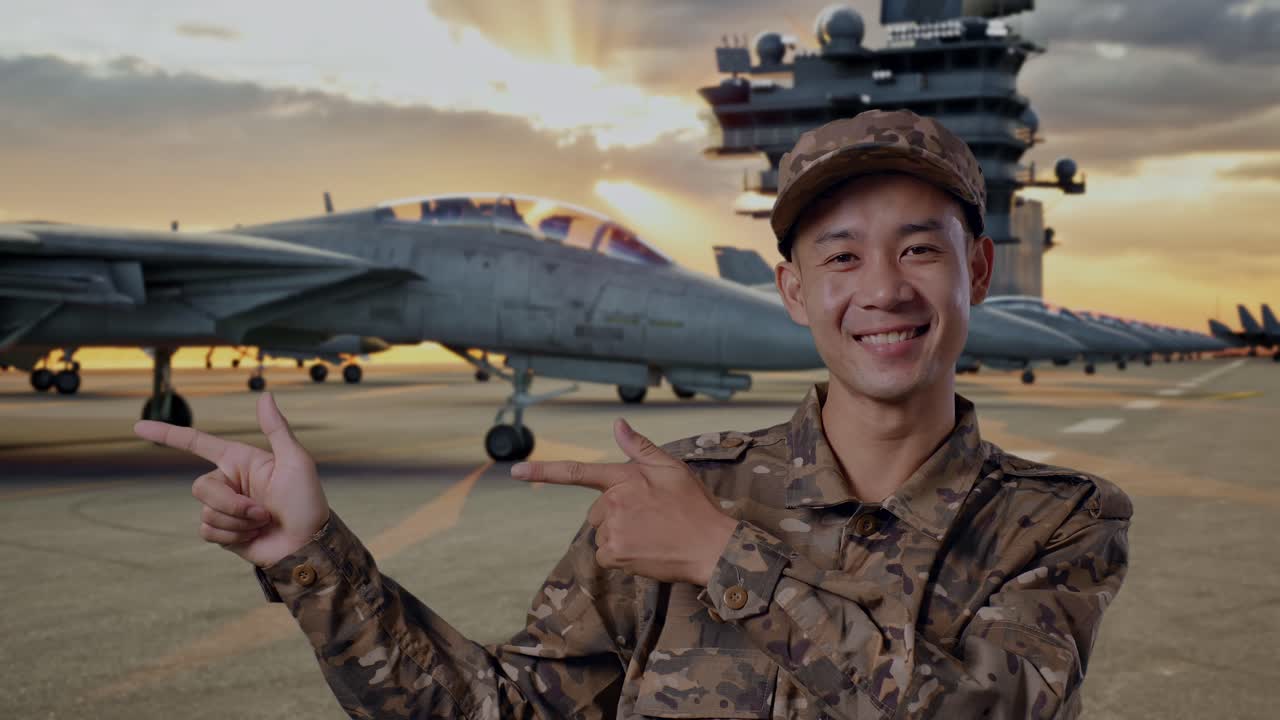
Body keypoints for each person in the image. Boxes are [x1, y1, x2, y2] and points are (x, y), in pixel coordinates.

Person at [135, 109, 1130, 719]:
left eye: (918, 249)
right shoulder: (670, 487)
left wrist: (723, 561)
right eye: (839, 255)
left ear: (976, 272)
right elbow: (502, 712)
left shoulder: (1056, 519)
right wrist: (315, 559)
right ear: (790, 289)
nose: (880, 288)